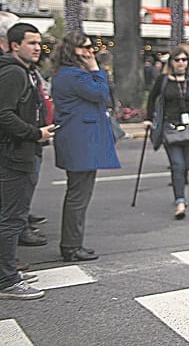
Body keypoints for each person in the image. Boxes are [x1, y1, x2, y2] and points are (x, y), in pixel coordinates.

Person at [51, 31, 122, 262]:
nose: (91, 51)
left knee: (78, 194)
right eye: (86, 47)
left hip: (78, 138)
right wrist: (95, 68)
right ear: (74, 51)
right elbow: (101, 93)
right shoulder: (74, 75)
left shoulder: (66, 73)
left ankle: (72, 244)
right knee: (78, 196)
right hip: (80, 140)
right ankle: (71, 246)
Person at [0, 23, 55, 300]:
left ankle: (8, 273)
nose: (36, 47)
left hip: (21, 151)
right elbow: (4, 114)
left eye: (38, 42)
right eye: (30, 43)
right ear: (14, 45)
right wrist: (36, 133)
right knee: (11, 219)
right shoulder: (13, 72)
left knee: (12, 217)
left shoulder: (25, 72)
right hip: (14, 154)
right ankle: (7, 281)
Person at [144, 44, 189, 220]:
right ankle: (180, 201)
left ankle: (180, 192)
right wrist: (149, 118)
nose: (181, 63)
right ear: (171, 62)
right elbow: (152, 99)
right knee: (177, 164)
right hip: (169, 127)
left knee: (185, 165)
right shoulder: (163, 80)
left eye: (184, 60)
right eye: (177, 60)